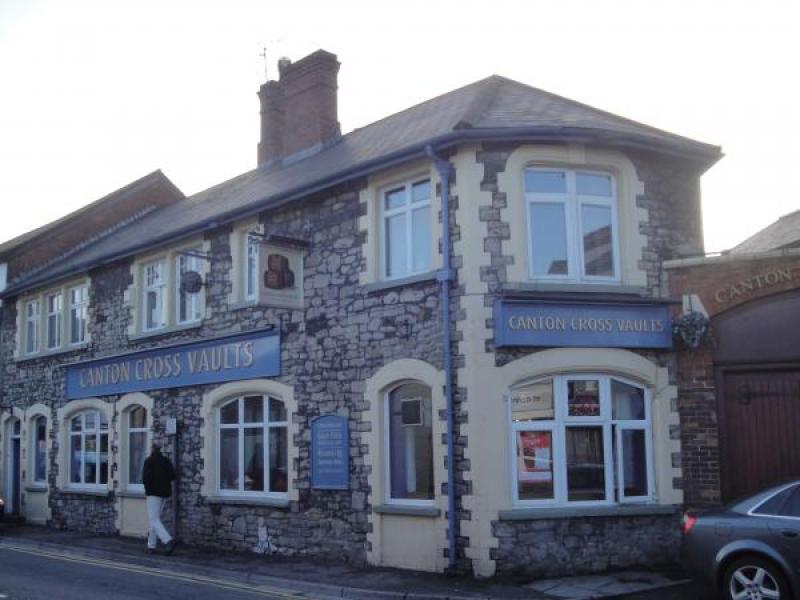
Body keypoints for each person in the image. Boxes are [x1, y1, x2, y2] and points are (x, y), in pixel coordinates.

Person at [142, 442, 177, 555]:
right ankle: (151, 546)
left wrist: (148, 489)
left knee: (154, 519)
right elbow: (173, 476)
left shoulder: (149, 461)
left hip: (153, 494)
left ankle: (167, 540)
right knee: (155, 519)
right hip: (165, 494)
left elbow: (145, 478)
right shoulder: (166, 461)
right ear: (160, 449)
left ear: (152, 449)